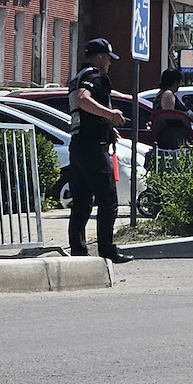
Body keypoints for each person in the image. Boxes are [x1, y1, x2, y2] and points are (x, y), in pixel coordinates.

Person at [68, 37, 132, 264]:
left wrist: (107, 127)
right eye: (108, 59)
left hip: (78, 144)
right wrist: (111, 115)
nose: (110, 63)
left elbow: (82, 111)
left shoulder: (77, 77)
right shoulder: (95, 77)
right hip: (93, 147)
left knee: (82, 201)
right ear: (100, 57)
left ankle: (78, 251)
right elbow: (83, 100)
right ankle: (107, 250)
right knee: (108, 198)